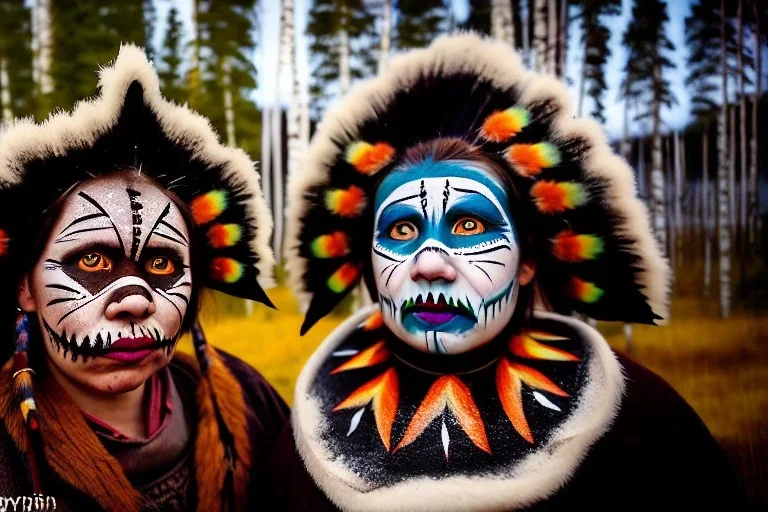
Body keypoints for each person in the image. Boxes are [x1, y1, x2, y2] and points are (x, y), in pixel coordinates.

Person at [284, 34, 745, 510]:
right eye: (401, 230)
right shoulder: (299, 442)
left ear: (527, 263)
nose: (429, 265)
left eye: (469, 225)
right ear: (370, 266)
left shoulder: (646, 424)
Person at [0, 45, 295, 511]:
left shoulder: (252, 403)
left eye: (162, 265)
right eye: (93, 261)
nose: (136, 301)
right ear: (25, 286)